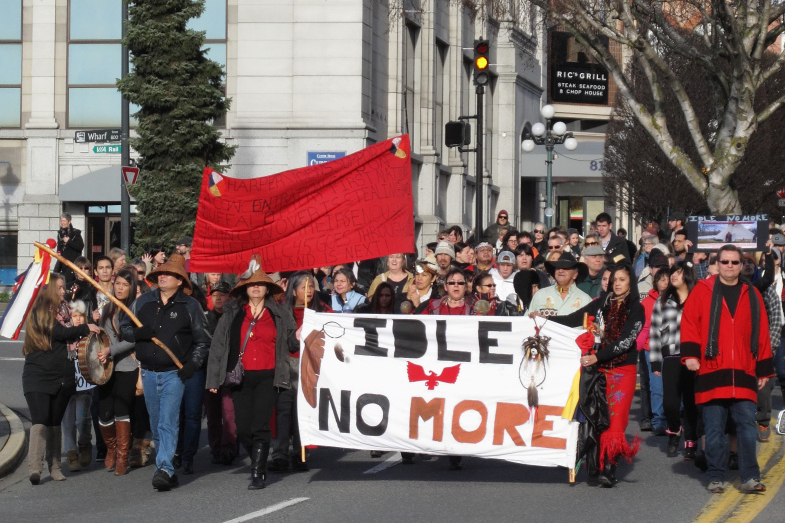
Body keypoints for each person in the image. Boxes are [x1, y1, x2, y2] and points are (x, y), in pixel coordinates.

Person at [680, 245, 774, 494]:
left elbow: (762, 331)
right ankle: (716, 476)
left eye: (735, 262)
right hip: (712, 368)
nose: (730, 266)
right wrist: (690, 355)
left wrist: (764, 369)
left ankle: (750, 477)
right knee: (713, 429)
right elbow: (689, 323)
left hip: (744, 369)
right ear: (717, 263)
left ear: (742, 265)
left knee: (746, 427)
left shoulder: (751, 293)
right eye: (725, 262)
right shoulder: (703, 290)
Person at [546, 264, 645, 487]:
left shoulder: (636, 308)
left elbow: (627, 341)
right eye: (613, 280)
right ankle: (597, 464)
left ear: (631, 282)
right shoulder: (602, 303)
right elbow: (573, 318)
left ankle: (609, 468)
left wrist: (598, 357)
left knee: (616, 420)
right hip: (598, 370)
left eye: (622, 279)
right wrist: (542, 320)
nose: (617, 283)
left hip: (621, 371)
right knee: (598, 418)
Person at [205, 258, 297, 490]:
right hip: (241, 377)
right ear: (245, 288)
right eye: (252, 284)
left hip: (270, 376)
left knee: (261, 425)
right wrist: (214, 378)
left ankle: (258, 471)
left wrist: (297, 336)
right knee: (243, 428)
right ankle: (259, 455)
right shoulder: (233, 312)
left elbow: (291, 345)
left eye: (260, 284)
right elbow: (218, 345)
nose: (256, 287)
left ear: (267, 288)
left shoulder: (280, 313)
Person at [120, 254, 210, 492]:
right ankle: (166, 465)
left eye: (169, 274)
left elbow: (203, 341)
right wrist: (137, 335)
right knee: (157, 421)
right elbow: (125, 328)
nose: (163, 276)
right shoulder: (144, 302)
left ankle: (164, 468)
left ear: (180, 280)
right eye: (161, 272)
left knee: (168, 422)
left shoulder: (190, 306)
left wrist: (192, 365)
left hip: (174, 373)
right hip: (148, 372)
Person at [23, 273, 100, 485]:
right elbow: (57, 332)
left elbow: (72, 330)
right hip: (38, 375)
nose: (62, 291)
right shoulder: (41, 311)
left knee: (55, 422)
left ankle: (55, 466)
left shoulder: (67, 310)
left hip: (63, 376)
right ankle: (35, 467)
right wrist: (85, 328)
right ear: (48, 290)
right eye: (58, 288)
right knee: (40, 420)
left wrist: (90, 323)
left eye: (63, 287)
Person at [269, 271, 333, 470]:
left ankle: (299, 452)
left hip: (310, 366)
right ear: (294, 290)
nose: (308, 291)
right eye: (304, 287)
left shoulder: (322, 310)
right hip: (286, 364)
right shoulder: (282, 311)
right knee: (283, 409)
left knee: (302, 411)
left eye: (312, 287)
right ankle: (279, 453)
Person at [419, 268, 474, 470]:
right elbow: (416, 326)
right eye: (452, 283)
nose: (456, 287)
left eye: (460, 283)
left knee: (457, 406)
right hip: (436, 362)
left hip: (464, 364)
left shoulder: (477, 307)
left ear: (466, 286)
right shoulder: (433, 306)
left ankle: (455, 449)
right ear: (445, 286)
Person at [649, 261, 699, 459]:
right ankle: (674, 430)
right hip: (671, 355)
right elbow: (654, 331)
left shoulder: (697, 298)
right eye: (672, 273)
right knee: (670, 402)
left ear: (687, 274)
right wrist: (654, 360)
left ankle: (691, 439)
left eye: (678, 273)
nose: (674, 276)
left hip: (693, 357)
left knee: (691, 401)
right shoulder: (662, 300)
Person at [95, 268, 138, 476]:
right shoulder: (108, 305)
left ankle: (122, 456)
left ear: (131, 288)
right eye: (118, 283)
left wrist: (110, 350)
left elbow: (131, 340)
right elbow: (104, 334)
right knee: (104, 413)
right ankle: (111, 448)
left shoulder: (133, 308)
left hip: (126, 365)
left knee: (122, 409)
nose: (120, 288)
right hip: (106, 366)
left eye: (125, 285)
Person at [203, 280, 237, 465]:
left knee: (229, 412)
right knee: (213, 414)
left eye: (222, 294)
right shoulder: (204, 318)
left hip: (228, 370)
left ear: (229, 297)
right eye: (215, 294)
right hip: (209, 370)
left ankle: (229, 446)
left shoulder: (234, 317)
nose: (218, 298)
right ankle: (216, 448)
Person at [60, 300, 95, 472]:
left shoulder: (88, 335)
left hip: (84, 385)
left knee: (82, 419)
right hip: (67, 385)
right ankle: (71, 453)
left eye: (81, 316)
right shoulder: (64, 336)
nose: (78, 319)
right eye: (74, 316)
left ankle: (85, 444)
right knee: (67, 422)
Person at [637, 269, 670, 434]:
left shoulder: (676, 299)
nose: (665, 282)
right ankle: (658, 421)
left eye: (668, 279)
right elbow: (642, 328)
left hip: (672, 349)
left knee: (672, 386)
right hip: (651, 349)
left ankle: (674, 419)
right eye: (661, 279)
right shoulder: (647, 302)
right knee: (656, 388)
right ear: (655, 282)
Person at [528, 252, 592, 317]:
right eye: (558, 267)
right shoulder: (540, 295)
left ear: (575, 275)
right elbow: (526, 321)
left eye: (566, 268)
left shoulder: (586, 300)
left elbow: (592, 325)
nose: (561, 270)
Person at [54, 213, 85, 284]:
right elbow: (59, 246)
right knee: (55, 277)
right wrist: (58, 252)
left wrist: (69, 241)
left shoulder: (75, 233)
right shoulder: (60, 233)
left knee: (68, 281)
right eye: (61, 221)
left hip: (72, 262)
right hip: (62, 261)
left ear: (69, 221)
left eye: (64, 221)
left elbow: (80, 247)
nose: (62, 223)